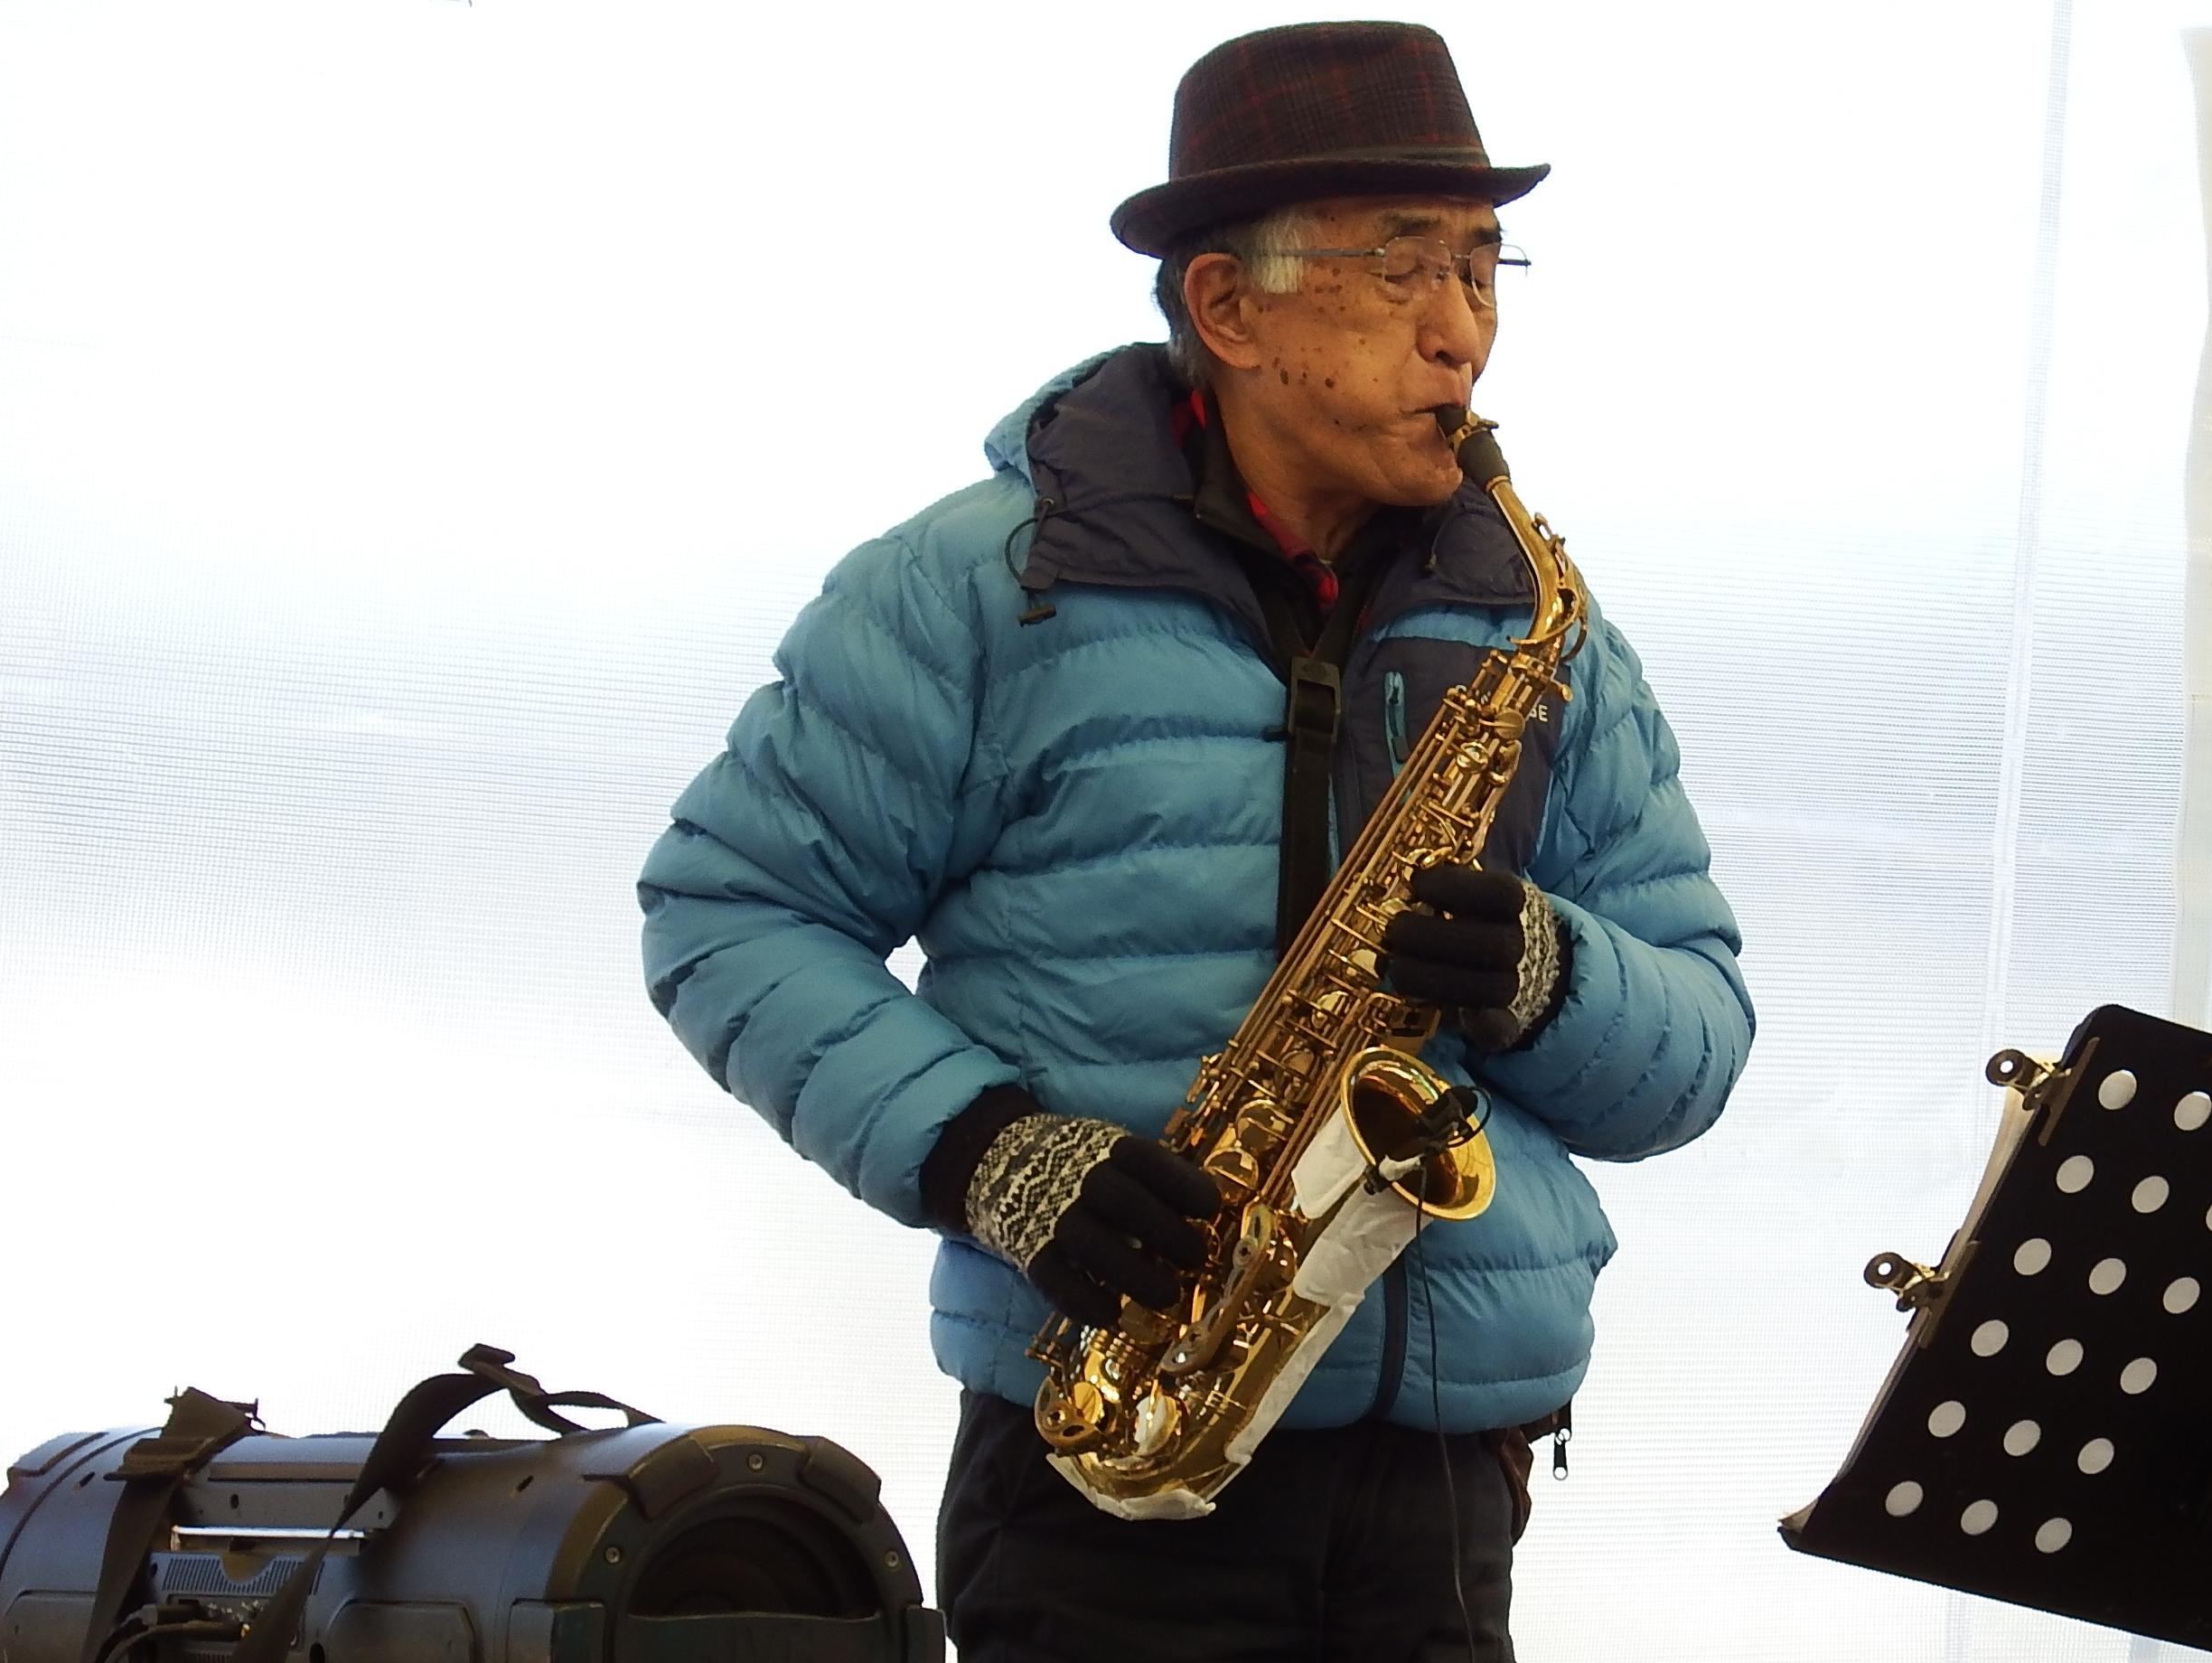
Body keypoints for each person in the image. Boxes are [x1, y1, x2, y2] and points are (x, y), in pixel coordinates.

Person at [636, 21, 1751, 1660]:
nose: (1465, 339)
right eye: (1402, 274)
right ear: (1228, 306)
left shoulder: (1542, 628)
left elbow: (1701, 1040)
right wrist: (989, 1156)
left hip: (1447, 1485)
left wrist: (1545, 969)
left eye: (1484, 272)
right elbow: (729, 913)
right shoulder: (973, 590)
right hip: (1106, 1467)